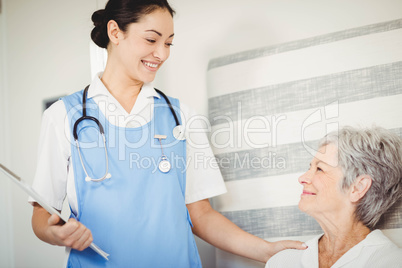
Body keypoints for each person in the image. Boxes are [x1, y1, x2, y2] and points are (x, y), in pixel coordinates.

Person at [29, 0, 306, 267]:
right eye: (152, 40)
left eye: (169, 43)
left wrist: (267, 251)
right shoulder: (63, 116)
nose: (162, 53)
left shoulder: (181, 116)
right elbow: (42, 214)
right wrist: (55, 234)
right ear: (115, 32)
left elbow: (202, 216)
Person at [266, 126, 402, 268]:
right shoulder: (282, 262)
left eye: (319, 169)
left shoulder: (393, 262)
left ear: (358, 188)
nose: (302, 178)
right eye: (309, 168)